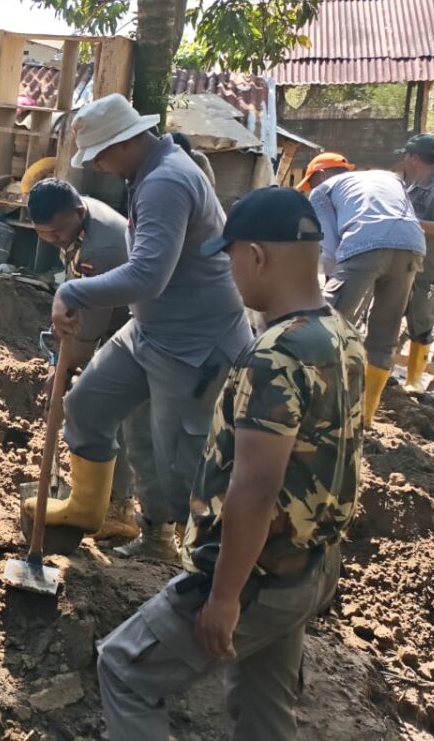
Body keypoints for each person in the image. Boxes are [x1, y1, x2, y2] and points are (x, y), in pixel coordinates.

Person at [97, 186, 365, 741]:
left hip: (257, 578)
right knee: (264, 704)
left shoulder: (276, 356)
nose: (231, 272)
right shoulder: (340, 334)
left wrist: (221, 598)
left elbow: (255, 487)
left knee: (125, 668)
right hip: (311, 565)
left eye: (232, 256)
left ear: (257, 255)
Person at [39, 94, 253, 560]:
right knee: (91, 406)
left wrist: (71, 292)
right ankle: (89, 511)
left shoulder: (165, 182)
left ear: (123, 143)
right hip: (149, 330)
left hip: (196, 341)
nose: (98, 166)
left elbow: (147, 276)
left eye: (98, 156)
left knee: (177, 452)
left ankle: (199, 553)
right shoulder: (150, 172)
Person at [27, 178, 149, 542]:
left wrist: (62, 376)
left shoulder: (103, 247)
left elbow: (87, 333)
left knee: (115, 412)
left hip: (143, 327)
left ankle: (119, 510)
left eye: (57, 233)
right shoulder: (77, 220)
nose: (54, 241)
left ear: (78, 214)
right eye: (45, 235)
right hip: (116, 318)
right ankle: (109, 501)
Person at [302, 151, 425, 425]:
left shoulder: (322, 191)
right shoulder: (388, 177)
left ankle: (316, 405)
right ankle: (366, 418)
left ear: (320, 174)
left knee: (326, 323)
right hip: (413, 246)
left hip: (364, 243)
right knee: (385, 333)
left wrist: (335, 290)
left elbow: (330, 252)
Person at [397, 134, 434, 390]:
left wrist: (409, 224)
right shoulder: (415, 185)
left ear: (414, 158)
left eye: (406, 155)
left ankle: (414, 383)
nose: (404, 160)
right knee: (393, 314)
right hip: (406, 263)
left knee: (421, 320)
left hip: (429, 267)